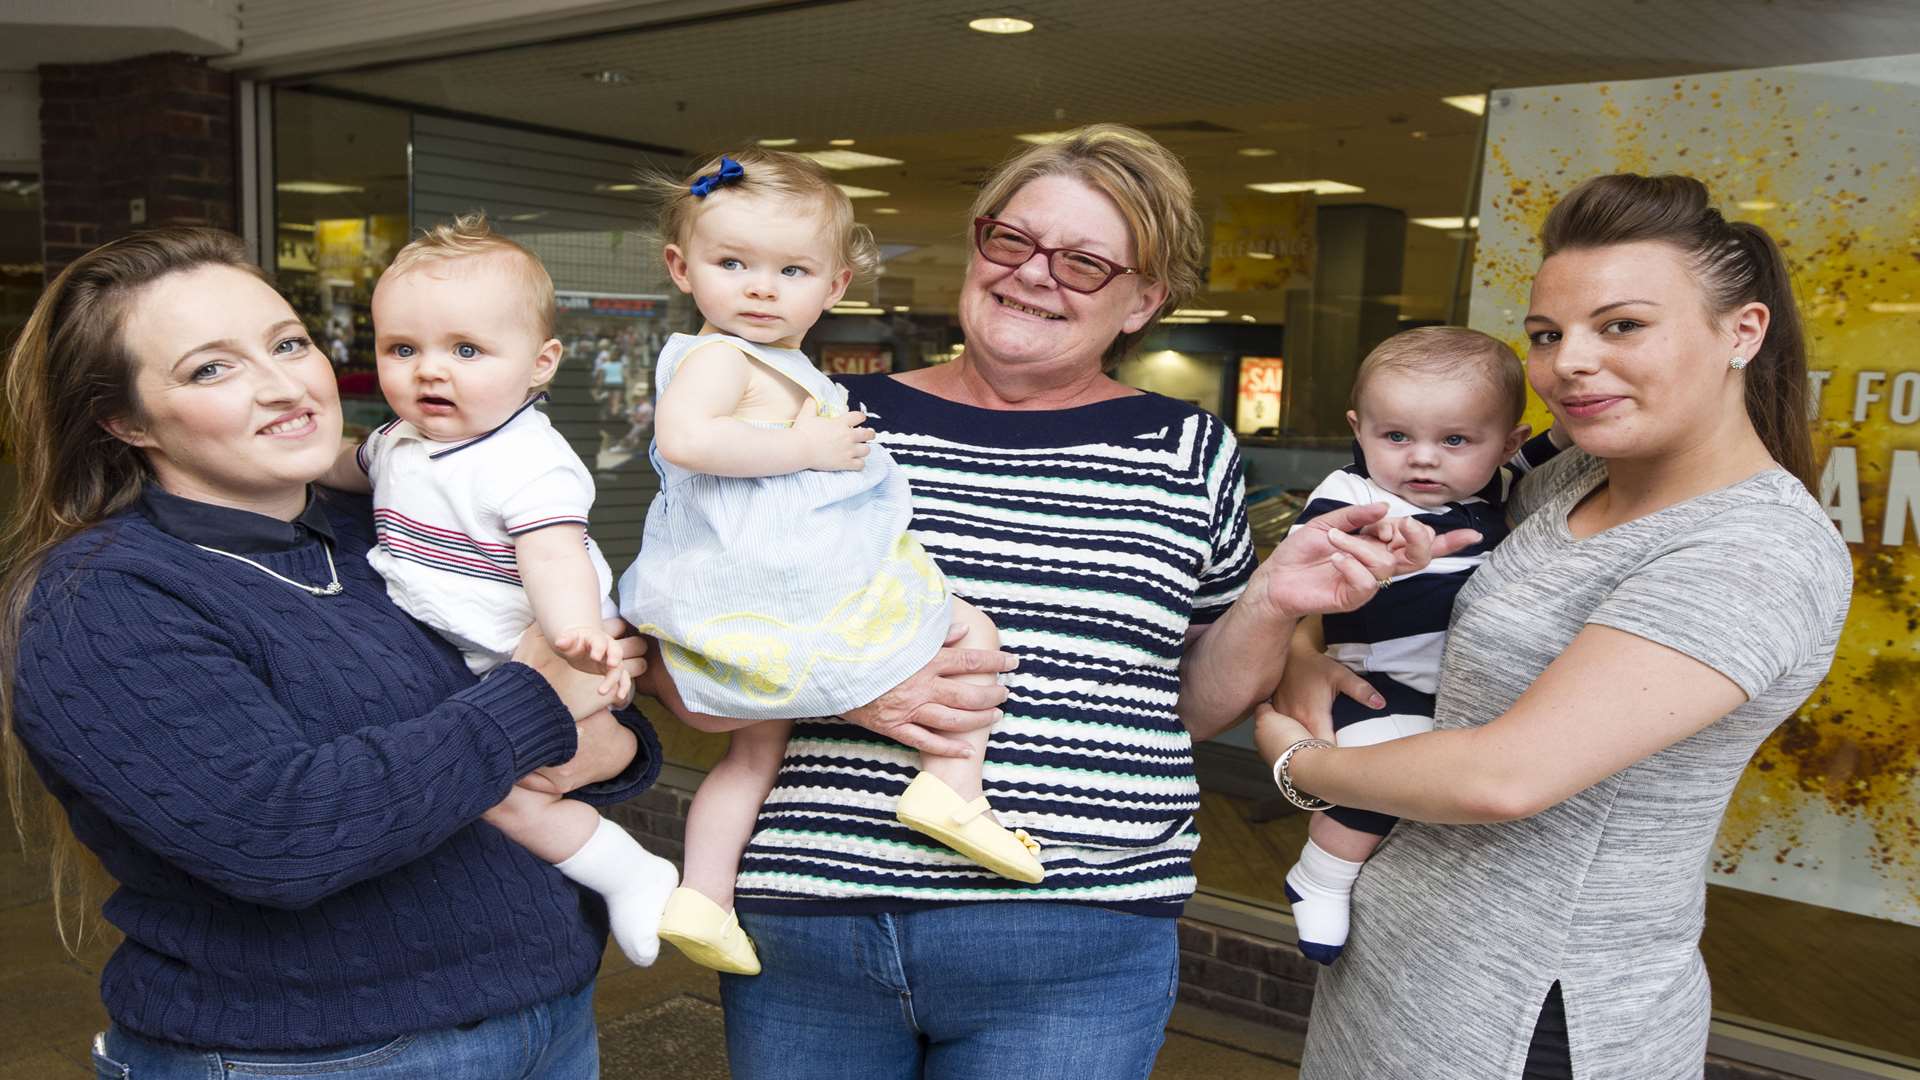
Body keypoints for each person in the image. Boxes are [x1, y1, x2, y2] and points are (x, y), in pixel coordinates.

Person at [713, 124, 1473, 1080]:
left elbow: (1194, 704)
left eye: (1083, 262)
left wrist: (1275, 603)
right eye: (1013, 241)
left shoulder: (1185, 450)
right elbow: (689, 653)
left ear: (1143, 299)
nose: (1035, 276)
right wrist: (855, 695)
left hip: (1076, 929)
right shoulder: (822, 418)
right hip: (815, 916)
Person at [1, 227, 659, 1078]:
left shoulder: (382, 525)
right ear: (124, 420)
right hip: (310, 1056)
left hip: (550, 1018)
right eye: (211, 368)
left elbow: (594, 727)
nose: (283, 386)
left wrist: (600, 727)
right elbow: (279, 835)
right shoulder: (105, 599)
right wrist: (538, 702)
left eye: (288, 344)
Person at [1256, 174, 1853, 1079]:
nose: (1569, 361)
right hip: (1397, 959)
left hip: (1533, 1011)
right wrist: (1304, 654)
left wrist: (1294, 763)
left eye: (1620, 325)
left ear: (1744, 331)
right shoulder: (1571, 480)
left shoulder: (1752, 551)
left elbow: (1507, 776)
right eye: (1546, 334)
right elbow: (1368, 577)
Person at [618, 150, 1034, 979]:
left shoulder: (779, 363)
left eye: (791, 269)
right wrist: (804, 443)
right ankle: (953, 786)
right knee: (964, 624)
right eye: (732, 263)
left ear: (835, 285)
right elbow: (685, 439)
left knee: (750, 760)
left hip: (760, 598)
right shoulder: (720, 357)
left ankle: (704, 895)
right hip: (784, 590)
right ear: (682, 268)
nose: (760, 288)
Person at [319, 214, 679, 968]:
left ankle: (628, 871)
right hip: (467, 660)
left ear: (541, 363)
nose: (429, 370)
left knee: (506, 796)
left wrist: (576, 636)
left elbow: (554, 558)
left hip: (534, 655)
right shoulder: (396, 440)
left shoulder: (527, 461)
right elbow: (343, 472)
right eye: (402, 349)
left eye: (467, 350)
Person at [1281, 326, 1566, 964]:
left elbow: (1539, 454)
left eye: (1456, 439)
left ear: (1504, 444)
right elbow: (1308, 570)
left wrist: (1570, 430)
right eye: (1397, 436)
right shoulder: (1352, 496)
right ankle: (1321, 875)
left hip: (1453, 690)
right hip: (1377, 683)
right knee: (1383, 782)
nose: (1423, 459)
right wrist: (1382, 556)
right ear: (1359, 431)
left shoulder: (1487, 484)